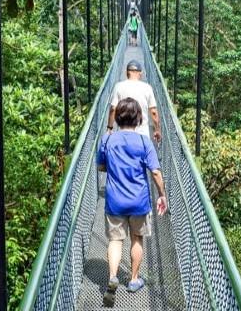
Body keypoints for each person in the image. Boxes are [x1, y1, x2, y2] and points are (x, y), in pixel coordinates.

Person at [97, 97, 168, 305]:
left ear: (117, 118)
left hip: (115, 200)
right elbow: (155, 172)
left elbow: (101, 167)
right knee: (137, 238)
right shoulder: (144, 142)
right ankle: (134, 279)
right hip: (139, 201)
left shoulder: (107, 140)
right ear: (139, 119)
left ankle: (112, 277)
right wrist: (162, 194)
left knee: (115, 240)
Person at [108, 60, 161, 144]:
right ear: (140, 74)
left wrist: (110, 128)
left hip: (123, 134)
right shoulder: (147, 88)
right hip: (142, 134)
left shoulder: (118, 86)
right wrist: (157, 130)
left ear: (126, 73)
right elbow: (153, 112)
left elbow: (112, 109)